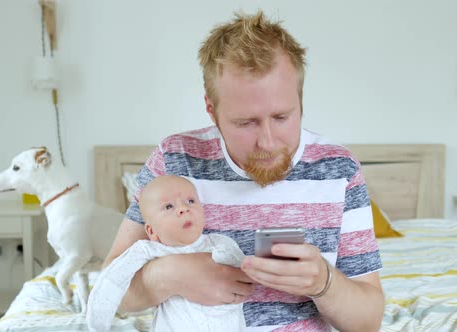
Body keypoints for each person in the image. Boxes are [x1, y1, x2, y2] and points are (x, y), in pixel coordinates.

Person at [103, 10, 384, 331]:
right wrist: (170, 276)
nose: (267, 142)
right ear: (212, 109)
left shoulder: (339, 170)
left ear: (301, 101)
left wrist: (325, 282)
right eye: (245, 122)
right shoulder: (173, 160)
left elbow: (368, 321)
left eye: (281, 117)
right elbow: (113, 291)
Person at [87, 175, 246, 331]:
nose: (184, 208)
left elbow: (247, 269)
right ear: (151, 231)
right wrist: (98, 324)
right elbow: (112, 278)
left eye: (190, 201)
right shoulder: (148, 250)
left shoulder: (220, 243)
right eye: (169, 206)